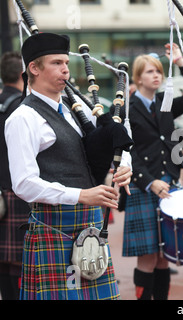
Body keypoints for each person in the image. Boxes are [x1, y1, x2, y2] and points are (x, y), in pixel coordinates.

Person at [4, 32, 132, 300]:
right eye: (56, 63)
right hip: (55, 229)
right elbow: (24, 183)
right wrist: (81, 195)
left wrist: (124, 165)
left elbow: (114, 134)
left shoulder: (75, 111)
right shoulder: (23, 118)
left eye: (66, 62)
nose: (66, 69)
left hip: (89, 225)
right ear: (34, 68)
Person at [116, 43, 183, 300]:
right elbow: (127, 152)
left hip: (168, 182)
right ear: (137, 78)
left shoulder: (164, 103)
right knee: (148, 256)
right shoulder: (126, 109)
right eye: (149, 72)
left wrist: (180, 61)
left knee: (166, 255)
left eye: (158, 71)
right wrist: (149, 181)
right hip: (144, 184)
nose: (156, 76)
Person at [0, 51, 27, 300]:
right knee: (20, 260)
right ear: (24, 74)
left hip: (2, 192)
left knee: (4, 259)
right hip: (17, 188)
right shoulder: (22, 107)